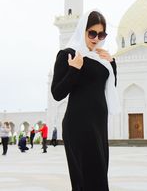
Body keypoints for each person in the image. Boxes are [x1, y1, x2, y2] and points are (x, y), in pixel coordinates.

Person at [51, 10, 121, 191]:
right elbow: (57, 93)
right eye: (92, 33)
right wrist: (74, 70)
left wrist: (112, 64)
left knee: (99, 178)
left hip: (98, 126)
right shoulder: (68, 54)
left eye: (101, 34)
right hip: (78, 126)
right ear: (82, 30)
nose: (96, 38)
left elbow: (109, 87)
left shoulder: (101, 58)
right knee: (86, 181)